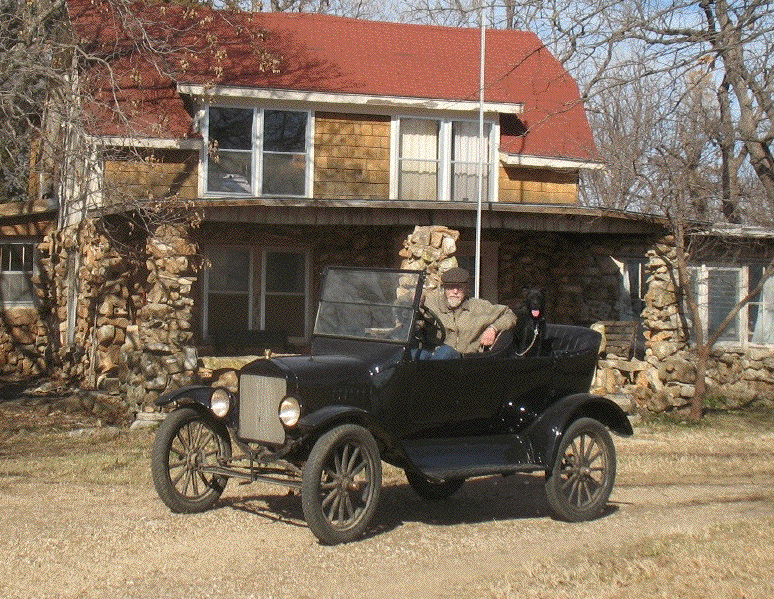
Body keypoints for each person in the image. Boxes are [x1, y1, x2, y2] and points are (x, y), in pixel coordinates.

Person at [419, 267, 517, 358]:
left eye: (460, 287)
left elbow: (509, 314)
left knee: (446, 352)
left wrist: (493, 328)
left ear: (467, 288)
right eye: (450, 287)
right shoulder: (430, 304)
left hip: (465, 361)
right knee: (416, 353)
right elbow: (412, 315)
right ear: (444, 288)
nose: (455, 291)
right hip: (433, 355)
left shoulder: (479, 307)